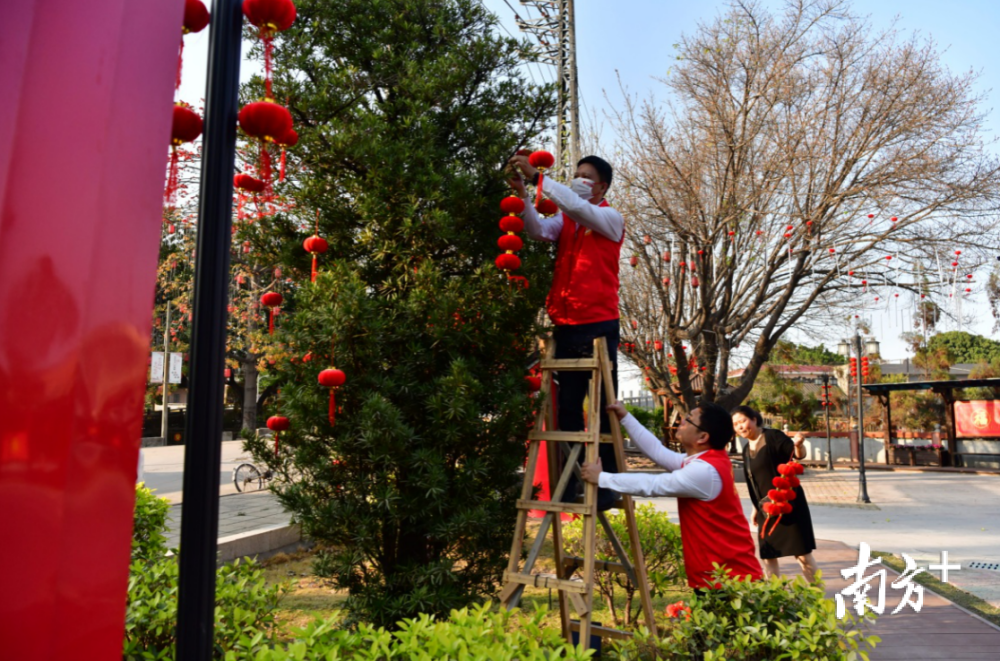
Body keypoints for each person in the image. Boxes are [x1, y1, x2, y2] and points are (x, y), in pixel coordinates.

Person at [507, 153, 624, 511]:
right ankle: (574, 479)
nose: (578, 180)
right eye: (576, 174)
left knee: (604, 406)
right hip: (566, 322)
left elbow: (576, 206)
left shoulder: (609, 217)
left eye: (586, 176)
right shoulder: (566, 219)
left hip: (598, 321)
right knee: (570, 409)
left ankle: (608, 482)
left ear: (602, 186)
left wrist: (539, 180)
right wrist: (524, 195)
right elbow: (539, 230)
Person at [581, 401, 763, 590]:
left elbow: (653, 485)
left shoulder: (704, 471)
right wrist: (625, 417)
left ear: (702, 437)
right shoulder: (706, 461)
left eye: (688, 420)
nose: (680, 422)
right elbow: (658, 452)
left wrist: (602, 478)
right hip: (721, 576)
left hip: (732, 580)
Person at [731, 405, 818, 582]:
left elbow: (796, 455)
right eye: (736, 424)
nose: (740, 427)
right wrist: (756, 508)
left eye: (743, 421)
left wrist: (799, 445)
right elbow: (754, 482)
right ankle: (774, 598)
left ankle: (818, 595)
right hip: (766, 508)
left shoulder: (773, 436)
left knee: (802, 554)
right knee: (768, 554)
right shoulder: (747, 449)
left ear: (754, 419)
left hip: (787, 504)